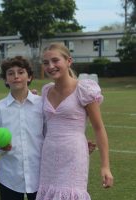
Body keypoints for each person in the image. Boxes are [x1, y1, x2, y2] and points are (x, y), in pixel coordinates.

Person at [36, 42, 113, 200]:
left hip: (74, 155)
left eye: (55, 60)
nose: (51, 66)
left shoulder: (84, 89)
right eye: (46, 63)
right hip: (49, 155)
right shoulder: (45, 90)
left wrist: (105, 166)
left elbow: (99, 128)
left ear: (68, 61)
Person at [0, 56, 44, 200]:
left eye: (21, 72)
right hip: (10, 177)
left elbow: (52, 135)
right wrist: (2, 147)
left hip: (40, 174)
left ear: (29, 77)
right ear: (6, 79)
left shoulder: (42, 104)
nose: (16, 76)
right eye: (11, 73)